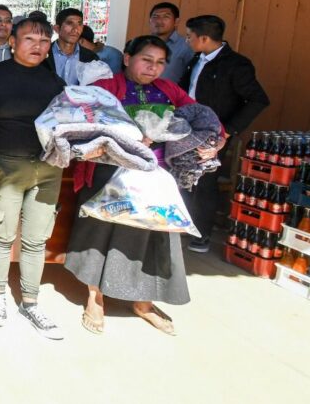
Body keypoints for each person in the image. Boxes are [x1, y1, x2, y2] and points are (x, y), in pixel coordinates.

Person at [66, 35, 212, 335]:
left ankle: (144, 303)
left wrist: (213, 140)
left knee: (154, 236)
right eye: (146, 60)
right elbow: (77, 121)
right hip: (108, 173)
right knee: (100, 235)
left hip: (153, 176)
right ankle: (95, 299)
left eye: (160, 62)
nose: (153, 68)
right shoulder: (104, 88)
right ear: (127, 58)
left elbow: (201, 115)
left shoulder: (169, 90)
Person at [0, 17, 67, 340]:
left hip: (48, 170)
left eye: (43, 41)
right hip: (5, 169)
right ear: (13, 42)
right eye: (29, 39)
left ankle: (30, 302)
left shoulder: (55, 83)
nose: (37, 46)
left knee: (36, 240)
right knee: (2, 236)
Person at [181, 15, 269, 252]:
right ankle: (181, 224)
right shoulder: (196, 59)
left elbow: (258, 100)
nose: (187, 41)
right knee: (182, 175)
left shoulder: (236, 64)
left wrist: (228, 131)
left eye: (189, 36)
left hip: (214, 132)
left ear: (204, 38)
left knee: (205, 180)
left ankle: (201, 234)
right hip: (186, 127)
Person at [50, 8, 99, 86]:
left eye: (79, 24)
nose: (75, 30)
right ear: (57, 28)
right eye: (70, 23)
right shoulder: (43, 55)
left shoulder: (91, 58)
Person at [147, 2, 193, 83]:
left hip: (171, 91)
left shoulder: (187, 46)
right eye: (155, 16)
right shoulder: (141, 43)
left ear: (176, 22)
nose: (159, 21)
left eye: (166, 17)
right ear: (150, 20)